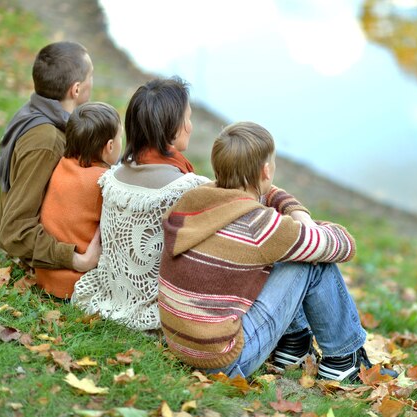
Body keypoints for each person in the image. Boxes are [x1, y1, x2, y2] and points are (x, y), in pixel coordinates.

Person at [158, 121, 398, 382]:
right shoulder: (259, 226)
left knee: (289, 251)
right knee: (311, 261)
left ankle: (293, 347)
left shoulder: (195, 199)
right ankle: (344, 361)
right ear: (266, 170)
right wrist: (308, 226)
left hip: (182, 344)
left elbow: (266, 193)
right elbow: (343, 246)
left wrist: (296, 212)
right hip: (225, 361)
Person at [71, 77, 211, 331]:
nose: (190, 126)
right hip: (158, 316)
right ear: (170, 128)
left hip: (109, 301)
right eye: (186, 119)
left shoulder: (111, 179)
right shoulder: (187, 188)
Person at [0, 41, 101, 274]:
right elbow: (13, 231)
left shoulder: (35, 110)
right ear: (75, 89)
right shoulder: (47, 141)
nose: (92, 81)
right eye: (90, 75)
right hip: (33, 264)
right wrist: (77, 260)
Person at [35, 102, 123, 299]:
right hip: (74, 283)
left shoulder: (61, 165)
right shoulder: (103, 181)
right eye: (120, 138)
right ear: (109, 147)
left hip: (45, 273)